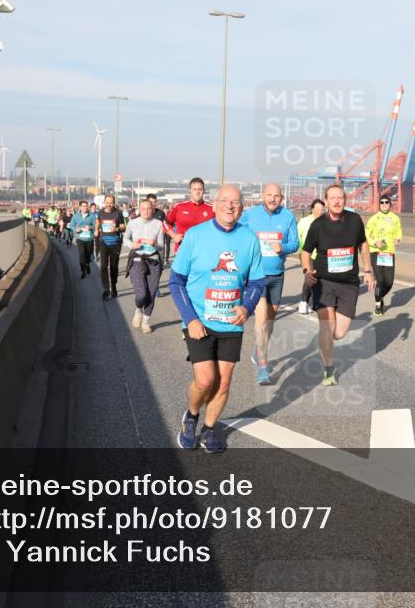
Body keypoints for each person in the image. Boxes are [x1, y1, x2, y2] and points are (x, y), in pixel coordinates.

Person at [170, 185, 265, 453]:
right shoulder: (195, 236)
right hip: (199, 320)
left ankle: (209, 429)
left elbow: (258, 282)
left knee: (223, 382)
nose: (230, 206)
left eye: (235, 202)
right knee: (204, 380)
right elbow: (176, 281)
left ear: (242, 207)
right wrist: (190, 319)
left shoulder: (250, 239)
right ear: (214, 204)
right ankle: (191, 416)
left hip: (231, 322)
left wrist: (246, 307)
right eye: (224, 201)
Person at [300, 184, 373, 386]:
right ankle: (329, 368)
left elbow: (363, 245)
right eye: (332, 198)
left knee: (339, 333)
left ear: (345, 200)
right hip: (324, 282)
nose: (337, 201)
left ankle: (326, 341)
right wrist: (307, 272)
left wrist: (368, 270)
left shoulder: (355, 220)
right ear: (326, 201)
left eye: (340, 197)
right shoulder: (318, 225)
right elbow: (306, 253)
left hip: (349, 283)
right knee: (326, 326)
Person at [239, 182, 300, 384]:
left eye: (277, 196)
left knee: (270, 322)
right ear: (263, 195)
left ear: (281, 198)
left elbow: (296, 243)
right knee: (261, 317)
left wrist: (282, 247)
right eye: (269, 195)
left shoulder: (288, 216)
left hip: (277, 276)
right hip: (256, 277)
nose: (273, 198)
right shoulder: (250, 215)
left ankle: (259, 351)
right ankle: (263, 368)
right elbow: (238, 235)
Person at [125, 198, 165, 333]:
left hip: (153, 261)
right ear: (139, 209)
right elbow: (126, 238)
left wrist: (155, 244)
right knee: (141, 293)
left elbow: (161, 246)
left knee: (151, 293)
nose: (146, 211)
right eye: (143, 209)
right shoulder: (132, 223)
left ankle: (146, 322)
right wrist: (132, 245)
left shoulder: (159, 224)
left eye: (149, 208)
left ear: (153, 209)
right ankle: (138, 310)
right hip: (137, 260)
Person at [365, 196, 403, 316]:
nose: (384, 204)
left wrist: (398, 238)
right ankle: (378, 304)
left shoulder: (395, 218)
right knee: (380, 280)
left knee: (389, 282)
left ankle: (379, 297)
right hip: (376, 251)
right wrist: (375, 242)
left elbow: (399, 231)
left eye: (387, 202)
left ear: (390, 204)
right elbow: (366, 234)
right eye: (382, 202)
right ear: (379, 205)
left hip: (389, 252)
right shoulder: (374, 218)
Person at [165, 177, 214, 254]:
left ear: (204, 191)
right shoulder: (179, 206)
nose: (197, 192)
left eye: (200, 189)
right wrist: (174, 236)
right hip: (181, 251)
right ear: (190, 191)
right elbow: (165, 223)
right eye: (194, 189)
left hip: (204, 252)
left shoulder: (212, 209)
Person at [297, 199, 326, 314]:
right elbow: (298, 237)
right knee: (310, 277)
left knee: (319, 279)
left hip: (321, 255)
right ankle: (304, 302)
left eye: (322, 209)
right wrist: (301, 253)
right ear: (312, 209)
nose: (320, 212)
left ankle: (315, 303)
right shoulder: (304, 221)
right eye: (317, 209)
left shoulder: (326, 221)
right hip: (307, 254)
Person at [95, 194, 126, 300]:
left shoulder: (118, 213)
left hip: (116, 243)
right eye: (107, 203)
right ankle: (106, 289)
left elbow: (123, 227)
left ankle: (113, 285)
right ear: (104, 202)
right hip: (103, 242)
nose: (109, 205)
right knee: (103, 266)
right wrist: (96, 230)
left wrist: (116, 229)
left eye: (111, 203)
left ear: (114, 202)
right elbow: (98, 221)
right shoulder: (100, 212)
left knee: (114, 267)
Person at [70, 200, 97, 278]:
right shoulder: (75, 216)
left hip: (89, 238)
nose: (85, 207)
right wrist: (76, 229)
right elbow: (71, 225)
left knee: (88, 254)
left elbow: (96, 226)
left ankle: (87, 264)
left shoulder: (92, 216)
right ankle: (82, 270)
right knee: (82, 254)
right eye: (84, 206)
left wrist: (90, 227)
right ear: (80, 207)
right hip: (80, 238)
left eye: (86, 206)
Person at [147, 193, 172, 268]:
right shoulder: (144, 212)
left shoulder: (160, 213)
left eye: (154, 202)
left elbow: (166, 224)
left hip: (159, 241)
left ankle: (164, 260)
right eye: (151, 202)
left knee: (158, 266)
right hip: (148, 242)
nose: (153, 204)